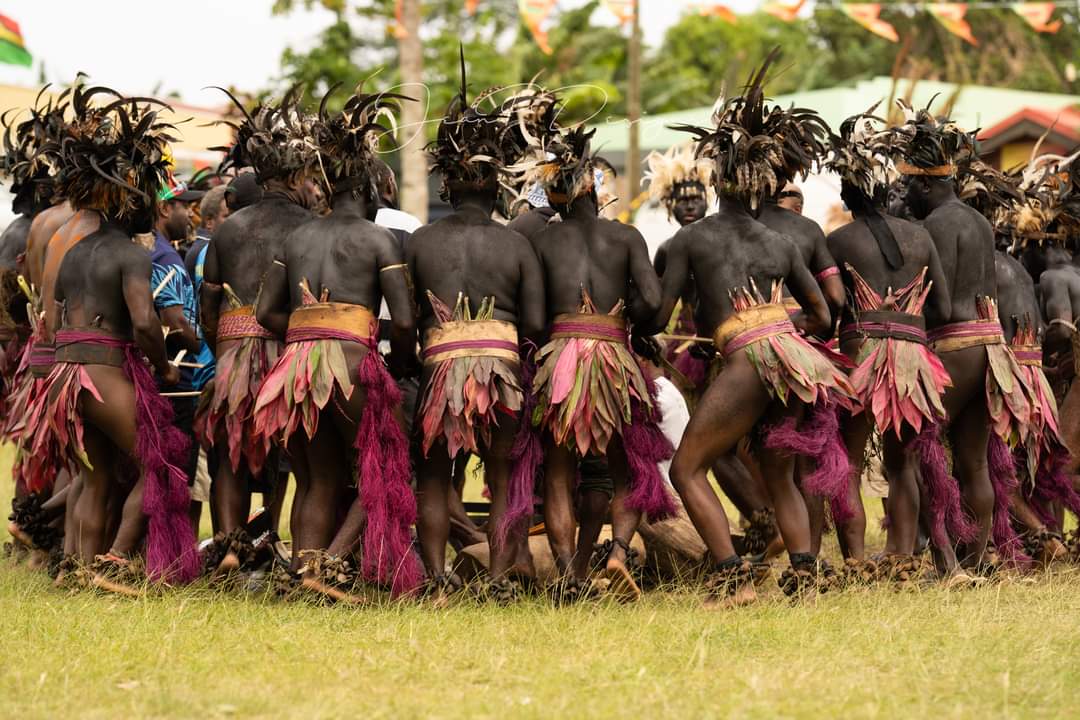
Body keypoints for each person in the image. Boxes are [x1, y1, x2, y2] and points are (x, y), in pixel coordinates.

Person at [657, 53, 855, 607]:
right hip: (794, 359)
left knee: (687, 467)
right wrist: (778, 325)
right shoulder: (782, 244)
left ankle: (732, 575)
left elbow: (660, 312)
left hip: (747, 359)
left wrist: (644, 321)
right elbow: (824, 317)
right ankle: (806, 575)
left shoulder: (692, 239)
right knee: (780, 471)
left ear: (716, 178)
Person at [252, 86, 420, 600]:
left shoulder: (298, 238)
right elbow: (407, 320)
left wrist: (310, 332)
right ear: (368, 188)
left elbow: (265, 313)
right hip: (352, 364)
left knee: (318, 479)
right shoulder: (377, 239)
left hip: (295, 369)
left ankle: (303, 573)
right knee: (388, 468)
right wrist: (400, 363)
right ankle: (325, 567)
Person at [46, 98, 197, 591]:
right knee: (164, 464)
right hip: (104, 371)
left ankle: (83, 571)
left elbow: (57, 320)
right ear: (128, 202)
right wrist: (165, 369)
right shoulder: (129, 256)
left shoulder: (73, 254)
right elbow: (145, 324)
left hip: (64, 377)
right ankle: (114, 561)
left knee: (96, 476)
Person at [520, 122, 675, 602]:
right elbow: (653, 304)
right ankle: (618, 552)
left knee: (562, 469)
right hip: (613, 357)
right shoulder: (625, 237)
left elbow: (533, 317)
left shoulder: (542, 242)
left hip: (560, 357)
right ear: (592, 185)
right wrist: (629, 320)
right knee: (628, 465)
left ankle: (569, 575)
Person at [408, 69, 545, 602]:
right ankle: (497, 580)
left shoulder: (420, 242)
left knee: (437, 477)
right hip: (503, 371)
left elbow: (405, 315)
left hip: (440, 369)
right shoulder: (515, 246)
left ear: (447, 183)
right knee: (506, 476)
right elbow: (533, 324)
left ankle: (439, 581)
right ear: (496, 184)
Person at [895, 100, 1031, 574]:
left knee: (918, 454)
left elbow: (943, 302)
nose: (906, 193)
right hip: (991, 349)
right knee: (972, 461)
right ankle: (975, 562)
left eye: (909, 183)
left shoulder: (935, 224)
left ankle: (948, 566)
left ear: (926, 182)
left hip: (954, 346)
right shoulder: (978, 221)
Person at [823, 111, 954, 577]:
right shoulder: (920, 236)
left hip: (860, 354)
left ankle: (856, 561)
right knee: (904, 462)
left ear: (848, 194)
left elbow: (829, 309)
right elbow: (941, 308)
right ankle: (901, 556)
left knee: (850, 461)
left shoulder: (838, 239)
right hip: (913, 357)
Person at [198, 93, 315, 575]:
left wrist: (222, 343)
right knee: (293, 454)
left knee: (229, 454)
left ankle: (229, 546)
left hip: (232, 353)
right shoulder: (311, 225)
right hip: (288, 351)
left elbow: (208, 301)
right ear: (292, 176)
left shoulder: (229, 230)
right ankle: (266, 539)